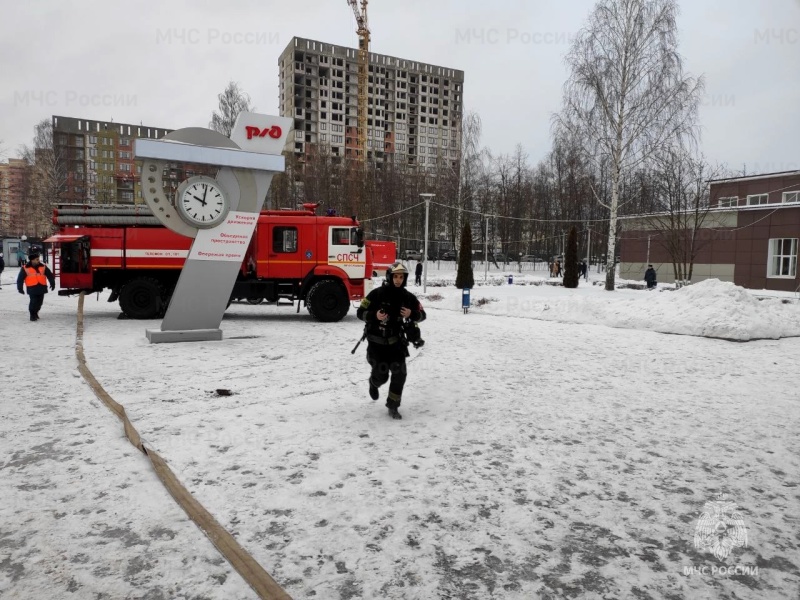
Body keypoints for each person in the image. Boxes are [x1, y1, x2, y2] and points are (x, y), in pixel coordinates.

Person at [356, 262, 427, 420]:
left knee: (400, 374)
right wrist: (374, 315)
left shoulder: (407, 297)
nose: (398, 280)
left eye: (401, 277)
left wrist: (411, 314)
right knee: (382, 376)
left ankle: (393, 406)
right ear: (389, 277)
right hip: (376, 344)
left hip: (396, 344)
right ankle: (374, 383)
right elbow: (360, 312)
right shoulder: (377, 294)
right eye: (395, 276)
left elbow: (423, 314)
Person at [17, 251, 55, 321]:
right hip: (32, 288)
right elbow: (20, 279)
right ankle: (32, 314)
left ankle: (36, 312)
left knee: (40, 302)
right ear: (32, 260)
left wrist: (52, 283)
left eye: (38, 259)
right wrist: (20, 288)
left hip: (41, 287)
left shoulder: (43, 266)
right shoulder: (25, 268)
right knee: (33, 302)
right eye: (37, 259)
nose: (38, 260)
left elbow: (50, 275)